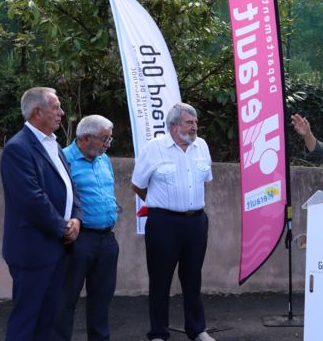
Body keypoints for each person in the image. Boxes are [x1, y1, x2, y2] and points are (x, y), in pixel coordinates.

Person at [0, 86, 82, 340]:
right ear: (37, 112)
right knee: (27, 321)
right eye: (56, 107)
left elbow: (70, 185)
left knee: (49, 320)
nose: (61, 112)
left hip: (57, 247)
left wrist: (76, 218)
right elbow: (31, 200)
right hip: (33, 249)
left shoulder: (53, 144)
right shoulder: (18, 148)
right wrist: (62, 228)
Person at [131, 103, 215, 341]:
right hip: (163, 223)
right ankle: (158, 333)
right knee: (160, 279)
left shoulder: (202, 147)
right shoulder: (154, 149)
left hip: (196, 222)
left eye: (196, 122)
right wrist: (160, 203)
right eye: (189, 122)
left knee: (193, 277)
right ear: (174, 125)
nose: (194, 127)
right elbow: (137, 184)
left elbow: (205, 179)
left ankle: (197, 329)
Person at [55, 115, 119, 341]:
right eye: (104, 139)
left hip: (107, 239)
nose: (108, 144)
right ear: (85, 138)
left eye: (109, 139)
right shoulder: (63, 159)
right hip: (79, 240)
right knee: (66, 299)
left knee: (102, 300)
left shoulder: (104, 159)